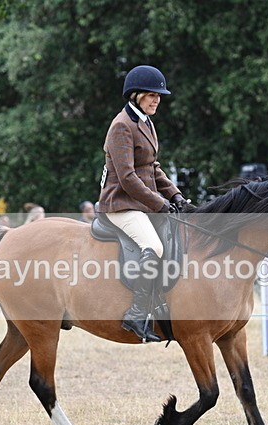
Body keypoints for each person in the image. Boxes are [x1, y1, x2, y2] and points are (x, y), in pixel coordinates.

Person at [96, 65, 191, 342]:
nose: (156, 100)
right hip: (121, 205)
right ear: (136, 95)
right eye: (151, 95)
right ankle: (137, 313)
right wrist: (160, 204)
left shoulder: (146, 123)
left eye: (159, 96)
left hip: (142, 204)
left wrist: (175, 196)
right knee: (155, 246)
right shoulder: (121, 127)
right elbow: (127, 178)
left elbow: (153, 168)